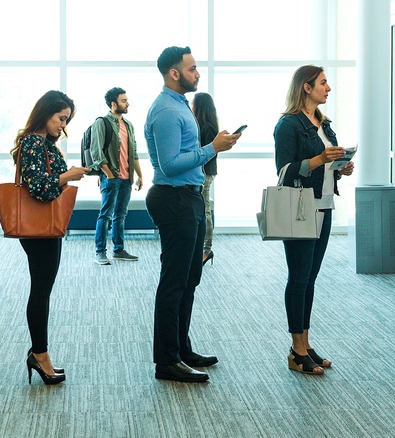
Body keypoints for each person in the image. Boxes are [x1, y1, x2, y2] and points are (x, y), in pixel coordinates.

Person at [145, 46, 241, 382]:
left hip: (190, 197)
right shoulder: (167, 112)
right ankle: (166, 360)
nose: (198, 73)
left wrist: (211, 147)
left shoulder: (180, 106)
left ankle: (181, 349)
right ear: (175, 73)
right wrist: (212, 148)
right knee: (174, 283)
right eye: (192, 68)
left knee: (189, 280)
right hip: (174, 199)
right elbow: (170, 166)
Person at [274, 65, 354, 375]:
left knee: (310, 278)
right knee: (299, 276)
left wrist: (340, 166)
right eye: (322, 83)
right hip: (300, 206)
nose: (328, 88)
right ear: (306, 88)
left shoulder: (323, 122)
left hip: (324, 204)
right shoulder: (288, 125)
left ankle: (305, 343)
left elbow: (327, 162)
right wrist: (321, 159)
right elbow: (284, 170)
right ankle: (296, 350)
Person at [12, 90, 90, 385]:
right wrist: (66, 177)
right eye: (61, 118)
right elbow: (40, 188)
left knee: (43, 288)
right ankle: (39, 355)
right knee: (41, 290)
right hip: (38, 229)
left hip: (45, 228)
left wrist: (69, 173)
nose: (63, 125)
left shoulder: (42, 144)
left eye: (66, 120)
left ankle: (40, 353)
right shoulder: (32, 142)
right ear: (46, 113)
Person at [91, 87, 144, 265]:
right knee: (105, 215)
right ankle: (100, 252)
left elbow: (134, 152)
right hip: (111, 177)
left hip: (126, 179)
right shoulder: (102, 122)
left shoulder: (128, 125)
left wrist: (140, 175)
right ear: (113, 104)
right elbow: (96, 152)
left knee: (120, 215)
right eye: (123, 101)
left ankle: (119, 250)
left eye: (127, 100)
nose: (127, 103)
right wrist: (108, 174)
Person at [192, 92, 219, 266]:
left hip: (205, 172)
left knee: (205, 210)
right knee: (203, 209)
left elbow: (207, 153)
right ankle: (203, 249)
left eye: (194, 103)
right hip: (204, 172)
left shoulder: (207, 127)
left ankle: (206, 250)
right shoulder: (203, 124)